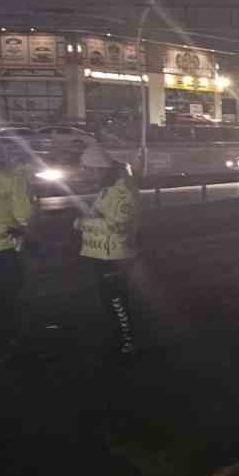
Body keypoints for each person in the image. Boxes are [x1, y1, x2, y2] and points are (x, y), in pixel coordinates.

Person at [75, 146, 139, 357]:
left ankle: (127, 342)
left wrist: (82, 223)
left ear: (100, 169)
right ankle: (118, 339)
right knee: (110, 301)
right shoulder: (108, 189)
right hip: (103, 254)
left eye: (89, 170)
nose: (87, 174)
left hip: (114, 256)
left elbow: (118, 225)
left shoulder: (121, 191)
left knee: (116, 300)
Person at [0, 141, 34, 356]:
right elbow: (23, 214)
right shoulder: (10, 179)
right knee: (7, 298)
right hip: (4, 247)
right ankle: (7, 342)